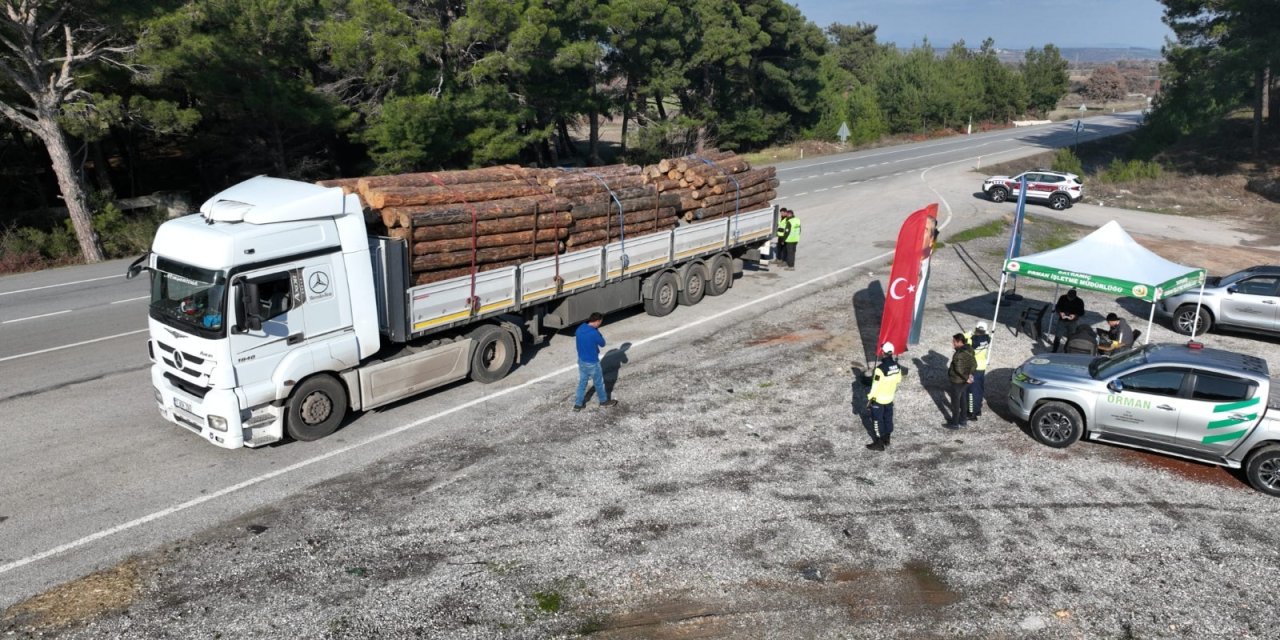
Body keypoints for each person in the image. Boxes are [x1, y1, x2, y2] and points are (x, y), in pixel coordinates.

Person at [574, 312, 618, 411]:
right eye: (600, 322)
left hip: (581, 361)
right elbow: (602, 343)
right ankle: (603, 401)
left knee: (582, 382)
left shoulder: (580, 328)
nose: (600, 324)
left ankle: (578, 404)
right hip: (592, 362)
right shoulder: (594, 333)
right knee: (599, 383)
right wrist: (597, 331)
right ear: (597, 321)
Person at [865, 342, 903, 452]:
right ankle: (887, 439)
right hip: (890, 398)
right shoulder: (898, 367)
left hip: (879, 399)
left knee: (877, 421)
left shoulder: (879, 369)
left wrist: (870, 398)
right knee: (888, 418)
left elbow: (875, 386)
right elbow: (898, 380)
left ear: (883, 352)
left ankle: (879, 444)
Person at [945, 333, 976, 429]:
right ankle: (963, 420)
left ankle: (954, 423)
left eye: (954, 341)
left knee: (955, 402)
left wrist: (966, 377)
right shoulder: (970, 350)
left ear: (959, 342)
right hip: (965, 381)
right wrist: (970, 375)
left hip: (957, 381)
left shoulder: (958, 354)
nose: (953, 343)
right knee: (963, 400)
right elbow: (975, 364)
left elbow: (958, 369)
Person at [965, 322, 990, 420]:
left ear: (976, 329)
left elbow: (963, 340)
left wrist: (967, 334)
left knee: (971, 391)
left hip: (973, 368)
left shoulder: (972, 341)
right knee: (979, 389)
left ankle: (972, 413)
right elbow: (986, 335)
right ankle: (978, 409)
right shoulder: (987, 338)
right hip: (982, 367)